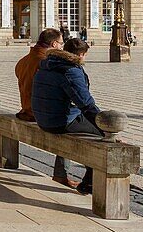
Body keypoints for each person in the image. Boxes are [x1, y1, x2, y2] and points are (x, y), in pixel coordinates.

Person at [31, 37, 100, 195]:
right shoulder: (70, 70)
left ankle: (62, 174)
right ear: (81, 54)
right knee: (99, 136)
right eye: (85, 55)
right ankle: (89, 182)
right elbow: (85, 103)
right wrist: (104, 125)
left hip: (43, 118)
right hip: (58, 121)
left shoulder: (48, 64)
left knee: (86, 127)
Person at [14, 27, 75, 188]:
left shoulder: (24, 60)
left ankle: (62, 175)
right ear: (54, 44)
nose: (63, 47)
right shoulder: (46, 63)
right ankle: (62, 175)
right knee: (72, 124)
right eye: (61, 44)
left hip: (26, 110)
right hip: (38, 113)